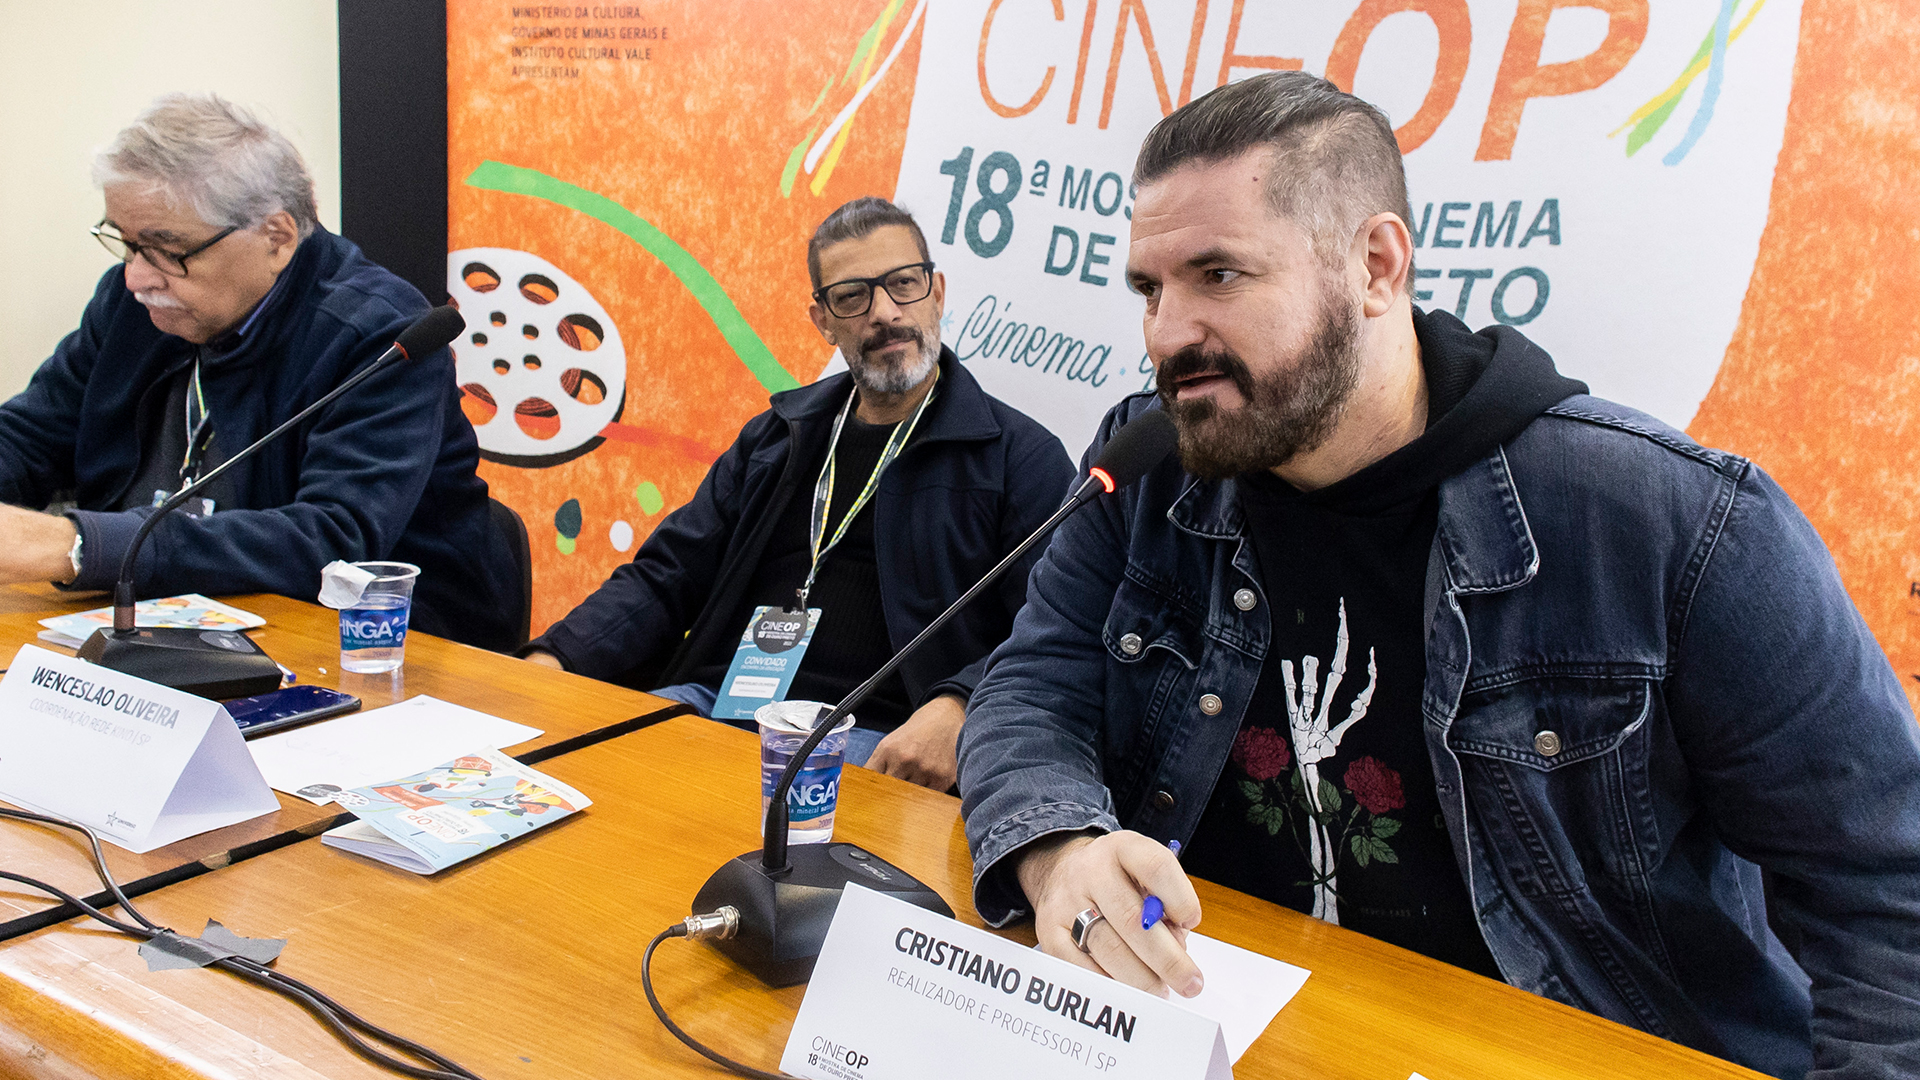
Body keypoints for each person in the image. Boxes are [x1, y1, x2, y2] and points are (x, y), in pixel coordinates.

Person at [957, 71, 1920, 1078]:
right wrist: (1059, 846)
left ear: (1376, 265)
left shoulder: (1675, 520)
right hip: (1221, 1029)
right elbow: (1034, 687)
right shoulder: (1148, 465)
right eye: (1151, 291)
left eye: (1220, 277)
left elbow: (1887, 893)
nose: (1166, 335)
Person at [526, 197, 1073, 790]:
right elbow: (667, 575)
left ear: (936, 293)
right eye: (851, 296)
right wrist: (556, 659)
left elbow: (1053, 629)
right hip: (718, 708)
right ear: (822, 319)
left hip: (878, 745)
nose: (884, 313)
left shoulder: (1020, 457)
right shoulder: (778, 437)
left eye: (903, 285)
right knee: (571, 790)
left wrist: (960, 704)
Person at [0, 93, 516, 650]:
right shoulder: (132, 308)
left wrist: (78, 545)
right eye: (126, 245)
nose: (137, 279)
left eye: (167, 251)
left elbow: (330, 540)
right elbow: (28, 436)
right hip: (150, 623)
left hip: (369, 649)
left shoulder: (379, 335)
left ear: (277, 237)